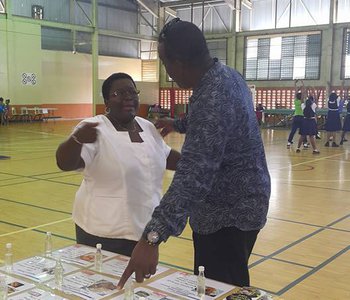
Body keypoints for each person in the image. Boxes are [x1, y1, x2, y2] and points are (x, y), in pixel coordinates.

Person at [118, 19, 270, 288]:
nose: (168, 73)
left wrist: (152, 237)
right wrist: (177, 124)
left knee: (220, 289)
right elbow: (215, 122)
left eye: (165, 63)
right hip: (245, 202)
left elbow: (194, 174)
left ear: (180, 62)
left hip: (227, 215)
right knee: (224, 284)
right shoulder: (224, 75)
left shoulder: (213, 95)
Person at [56, 72, 181, 256]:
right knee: (102, 284)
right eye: (119, 93)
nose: (128, 97)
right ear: (106, 101)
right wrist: (76, 140)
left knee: (137, 283)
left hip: (145, 229)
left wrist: (202, 164)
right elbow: (65, 163)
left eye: (132, 92)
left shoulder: (146, 127)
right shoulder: (94, 127)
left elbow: (167, 156)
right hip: (102, 232)